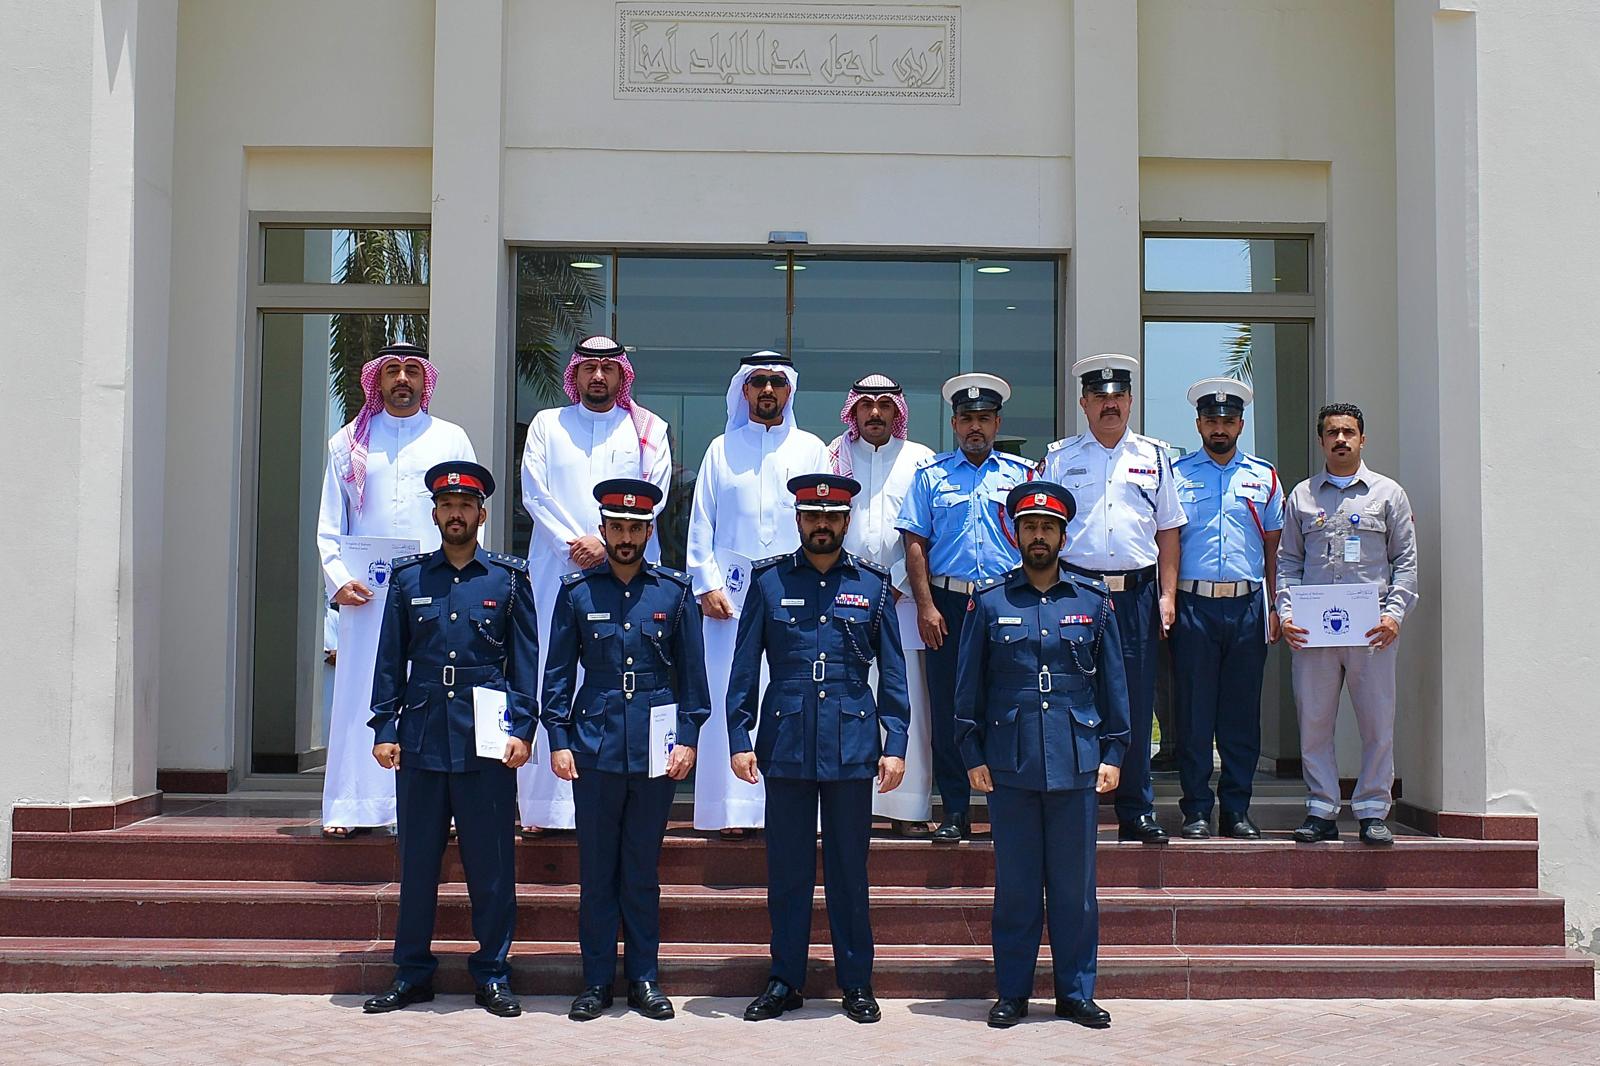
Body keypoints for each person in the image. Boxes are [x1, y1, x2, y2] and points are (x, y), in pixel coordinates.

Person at [727, 474, 910, 1024]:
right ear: (799, 520)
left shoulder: (874, 586)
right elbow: (743, 668)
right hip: (785, 744)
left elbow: (894, 673)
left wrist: (895, 742)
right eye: (812, 516)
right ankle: (785, 979)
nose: (822, 524)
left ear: (847, 521)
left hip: (852, 744)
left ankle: (856, 981)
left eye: (832, 517)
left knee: (850, 869)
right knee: (787, 870)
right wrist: (740, 737)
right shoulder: (768, 582)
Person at [362, 461, 536, 1018]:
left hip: (486, 739)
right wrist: (385, 727)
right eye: (446, 505)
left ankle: (492, 973)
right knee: (417, 865)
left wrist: (524, 729)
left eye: (466, 506)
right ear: (434, 513)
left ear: (481, 515)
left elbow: (525, 665)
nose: (456, 514)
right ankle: (412, 973)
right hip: (421, 737)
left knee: (491, 866)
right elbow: (389, 660)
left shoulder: (507, 579)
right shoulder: (410, 579)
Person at [956, 482, 1128, 1030]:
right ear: (1016, 533)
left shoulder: (1092, 602)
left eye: (1047, 528)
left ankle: (1075, 994)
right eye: (1029, 527)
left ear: (1061, 535)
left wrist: (1116, 751)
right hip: (1009, 761)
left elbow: (1115, 687)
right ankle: (1013, 993)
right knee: (1017, 888)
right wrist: (971, 752)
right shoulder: (989, 601)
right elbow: (967, 690)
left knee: (1076, 890)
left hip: (1077, 759)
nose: (1038, 536)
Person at [542, 478, 710, 1022]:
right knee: (596, 871)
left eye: (637, 528)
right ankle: (595, 983)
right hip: (593, 748)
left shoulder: (674, 593)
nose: (626, 537)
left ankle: (643, 978)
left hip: (656, 754)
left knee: (641, 870)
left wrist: (689, 740)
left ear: (649, 531)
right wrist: (559, 741)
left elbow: (694, 681)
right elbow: (558, 677)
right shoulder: (577, 593)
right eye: (617, 527)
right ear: (603, 529)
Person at [316, 342, 476, 839]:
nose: (401, 379)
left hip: (435, 595)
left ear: (424, 379)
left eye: (410, 370)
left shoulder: (451, 439)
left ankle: (435, 810)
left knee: (432, 695)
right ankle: (352, 805)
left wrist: (464, 582)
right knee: (361, 695)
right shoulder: (348, 443)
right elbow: (329, 523)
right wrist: (340, 579)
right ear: (376, 381)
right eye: (391, 371)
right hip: (368, 598)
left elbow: (471, 515)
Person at [519, 335, 672, 837]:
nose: (599, 377)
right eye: (589, 368)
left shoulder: (648, 430)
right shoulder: (546, 425)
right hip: (555, 570)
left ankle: (616, 796)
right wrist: (575, 542)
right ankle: (545, 806)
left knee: (619, 667)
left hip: (627, 571)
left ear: (621, 375)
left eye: (609, 368)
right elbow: (533, 491)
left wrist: (607, 546)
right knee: (554, 669)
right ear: (576, 374)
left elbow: (658, 496)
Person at [686, 352, 831, 838]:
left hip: (792, 593)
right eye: (757, 383)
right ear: (743, 391)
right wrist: (704, 584)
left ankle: (788, 809)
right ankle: (729, 809)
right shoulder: (718, 448)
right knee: (730, 690)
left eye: (776, 383)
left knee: (789, 693)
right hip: (727, 595)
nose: (767, 391)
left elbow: (825, 520)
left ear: (789, 391)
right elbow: (700, 521)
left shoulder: (812, 448)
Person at [1041, 354, 1185, 845]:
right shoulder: (1060, 458)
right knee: (1074, 696)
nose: (1109, 405)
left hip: (1136, 595)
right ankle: (1076, 800)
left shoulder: (1155, 457)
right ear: (1083, 403)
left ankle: (1136, 807)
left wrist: (1167, 595)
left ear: (1130, 401)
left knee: (1135, 700)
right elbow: (1045, 529)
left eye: (1117, 397)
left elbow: (1168, 531)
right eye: (1099, 397)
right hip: (1077, 591)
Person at [896, 373, 1035, 843]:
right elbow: (915, 543)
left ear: (997, 423)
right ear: (954, 424)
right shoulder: (930, 476)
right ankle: (955, 810)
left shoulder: (1022, 476)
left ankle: (1005, 808)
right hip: (948, 606)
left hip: (1004, 603)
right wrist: (925, 606)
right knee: (953, 709)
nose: (975, 427)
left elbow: (1040, 540)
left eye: (984, 419)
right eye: (967, 419)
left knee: (1006, 705)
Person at [1278, 403, 1418, 846]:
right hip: (1314, 632)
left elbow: (1406, 563)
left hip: (1371, 630)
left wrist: (1394, 615)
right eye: (1332, 432)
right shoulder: (1302, 496)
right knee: (1315, 720)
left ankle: (1373, 809)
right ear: (1321, 441)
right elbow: (1287, 562)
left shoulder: (1388, 494)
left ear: (1362, 439)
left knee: (1377, 722)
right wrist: (1286, 615)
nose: (1341, 439)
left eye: (1349, 432)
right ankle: (1320, 807)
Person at [1169, 378, 1284, 839]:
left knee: (1240, 715)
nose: (1220, 427)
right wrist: (1169, 600)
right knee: (1194, 714)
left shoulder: (1264, 476)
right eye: (1211, 420)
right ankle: (1196, 809)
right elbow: (1168, 544)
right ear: (1198, 423)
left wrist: (1278, 605)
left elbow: (1276, 550)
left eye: (1228, 420)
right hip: (1194, 605)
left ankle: (1237, 809)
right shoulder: (1176, 476)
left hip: (1247, 607)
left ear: (1240, 424)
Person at [828, 373, 937, 836]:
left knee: (905, 697)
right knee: (849, 697)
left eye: (885, 405)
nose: (875, 413)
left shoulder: (921, 461)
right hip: (843, 597)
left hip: (904, 600)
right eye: (866, 405)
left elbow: (930, 530)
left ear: (898, 412)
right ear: (853, 410)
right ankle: (848, 802)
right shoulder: (833, 455)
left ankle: (907, 808)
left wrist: (896, 583)